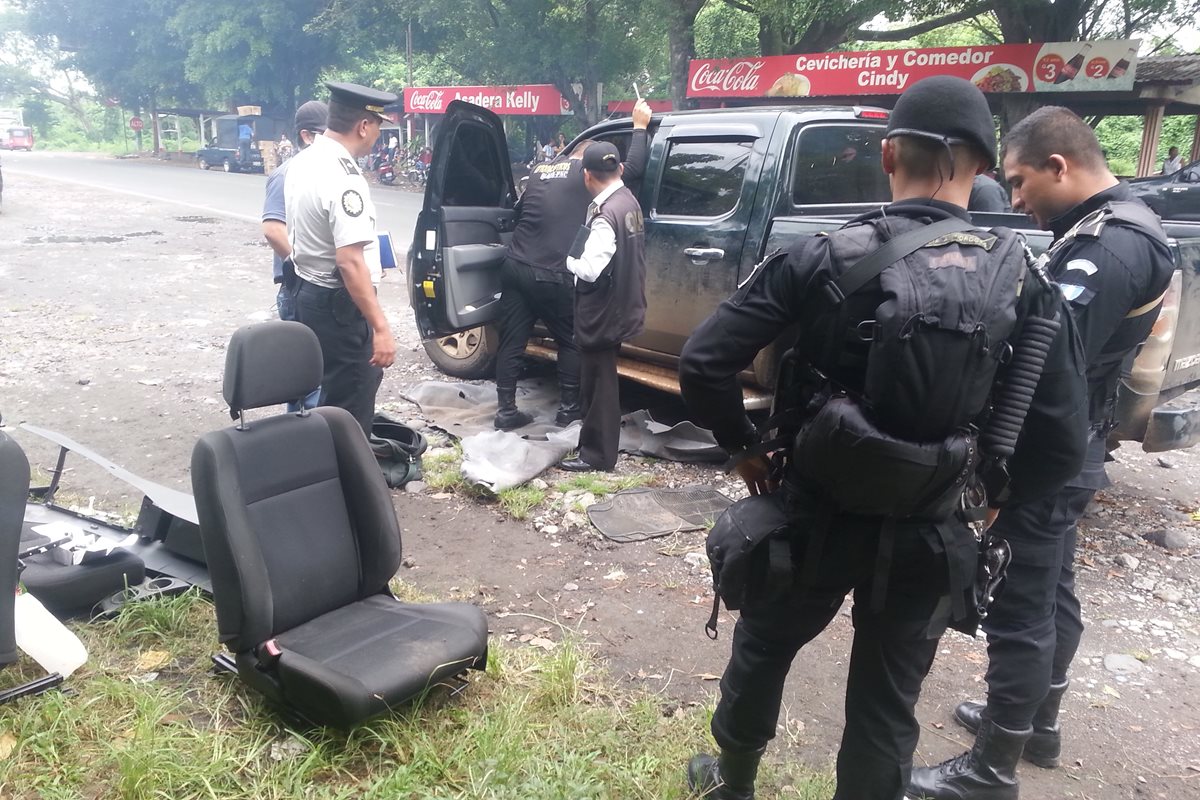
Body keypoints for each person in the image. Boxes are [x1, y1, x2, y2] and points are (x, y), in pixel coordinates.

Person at [678, 77, 1088, 800]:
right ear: (985, 168)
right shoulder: (1023, 281)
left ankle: (730, 782)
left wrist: (744, 445)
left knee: (766, 648)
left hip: (813, 511)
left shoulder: (825, 255)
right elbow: (1060, 439)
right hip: (931, 528)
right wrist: (993, 496)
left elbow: (704, 361)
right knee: (888, 697)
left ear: (888, 152)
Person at [909, 107, 1174, 800]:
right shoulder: (1107, 228)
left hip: (1049, 456)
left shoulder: (1109, 246)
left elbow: (1043, 362)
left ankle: (991, 769)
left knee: (1020, 604)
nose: (1016, 199)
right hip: (1075, 447)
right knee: (1052, 590)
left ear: (1061, 165)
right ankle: (1036, 726)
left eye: (1023, 182)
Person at [492, 99, 652, 431]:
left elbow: (519, 214)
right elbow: (631, 169)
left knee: (512, 339)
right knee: (571, 340)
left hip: (516, 265)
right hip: (555, 272)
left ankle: (505, 411)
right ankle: (568, 411)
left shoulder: (540, 171)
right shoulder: (586, 173)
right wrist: (639, 128)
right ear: (590, 165)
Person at [285, 81, 399, 436]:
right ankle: (348, 485)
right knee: (352, 401)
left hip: (307, 291)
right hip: (339, 304)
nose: (378, 136)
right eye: (378, 127)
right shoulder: (345, 177)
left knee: (328, 394)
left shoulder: (304, 161)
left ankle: (324, 471)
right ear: (364, 126)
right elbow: (350, 261)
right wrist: (380, 327)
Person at [558, 142, 647, 472]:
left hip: (602, 311)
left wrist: (569, 262)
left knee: (598, 385)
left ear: (587, 176)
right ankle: (596, 447)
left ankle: (596, 456)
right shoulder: (628, 202)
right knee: (602, 380)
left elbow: (591, 269)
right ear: (620, 170)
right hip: (623, 304)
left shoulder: (604, 215)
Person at [261, 101, 327, 412]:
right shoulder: (287, 174)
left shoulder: (328, 172)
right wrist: (305, 265)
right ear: (307, 136)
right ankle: (302, 450)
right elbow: (274, 231)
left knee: (323, 377)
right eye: (326, 135)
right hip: (298, 288)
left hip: (317, 289)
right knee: (307, 382)